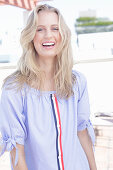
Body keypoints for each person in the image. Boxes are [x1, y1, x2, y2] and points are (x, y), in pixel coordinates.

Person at [0, 4, 97, 170]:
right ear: (31, 35)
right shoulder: (14, 89)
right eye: (40, 29)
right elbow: (17, 151)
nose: (48, 35)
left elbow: (82, 133)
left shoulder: (78, 82)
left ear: (63, 34)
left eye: (54, 28)